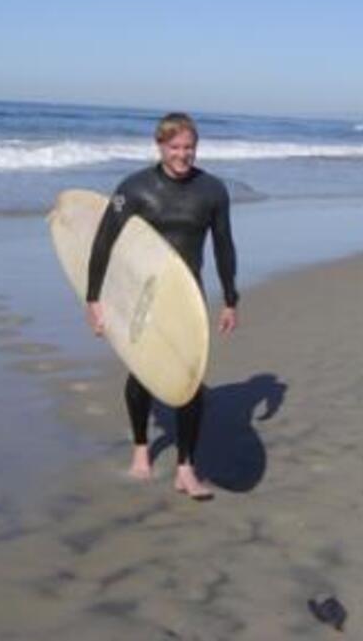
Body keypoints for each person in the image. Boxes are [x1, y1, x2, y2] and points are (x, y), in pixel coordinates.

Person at [85, 112, 238, 501]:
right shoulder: (134, 189)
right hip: (143, 297)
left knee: (190, 383)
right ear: (160, 146)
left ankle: (186, 468)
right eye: (175, 148)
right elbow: (103, 242)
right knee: (143, 375)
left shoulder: (213, 191)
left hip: (188, 299)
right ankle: (141, 448)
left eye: (189, 148)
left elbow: (223, 246)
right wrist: (94, 299)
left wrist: (230, 299)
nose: (183, 155)